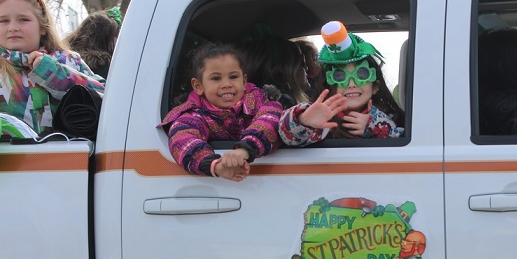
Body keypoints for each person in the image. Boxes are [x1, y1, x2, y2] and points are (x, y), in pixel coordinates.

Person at [0, 0, 106, 135]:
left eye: (23, 19)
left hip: (69, 156)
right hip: (8, 158)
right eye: (4, 21)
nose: (13, 27)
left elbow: (106, 97)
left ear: (42, 27)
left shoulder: (69, 60)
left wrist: (54, 73)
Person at [158, 42, 283, 181]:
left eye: (233, 77)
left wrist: (245, 150)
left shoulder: (261, 103)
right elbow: (181, 138)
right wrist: (215, 165)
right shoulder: (195, 115)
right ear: (198, 86)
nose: (227, 84)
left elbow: (271, 120)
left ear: (244, 81)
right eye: (216, 78)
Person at [279, 21, 405, 146]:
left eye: (361, 75)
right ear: (329, 84)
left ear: (375, 87)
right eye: (339, 76)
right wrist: (303, 120)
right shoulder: (321, 120)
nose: (351, 84)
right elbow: (286, 136)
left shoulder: (390, 117)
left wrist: (375, 126)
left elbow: (406, 147)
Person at [239, 24, 310, 109]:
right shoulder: (285, 108)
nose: (306, 68)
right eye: (301, 62)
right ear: (282, 69)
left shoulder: (252, 104)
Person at [65, 9, 121, 78]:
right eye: (116, 36)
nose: (118, 42)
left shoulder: (67, 61)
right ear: (104, 40)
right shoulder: (107, 69)